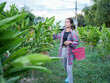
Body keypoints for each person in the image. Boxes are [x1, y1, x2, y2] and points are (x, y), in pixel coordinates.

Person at [53, 18, 79, 83]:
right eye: (65, 22)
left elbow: (77, 43)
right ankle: (68, 76)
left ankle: (70, 81)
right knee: (65, 66)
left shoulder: (73, 33)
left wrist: (70, 42)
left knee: (69, 68)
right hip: (63, 50)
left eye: (67, 22)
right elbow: (57, 37)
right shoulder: (63, 32)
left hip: (70, 52)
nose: (65, 23)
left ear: (71, 24)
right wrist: (52, 33)